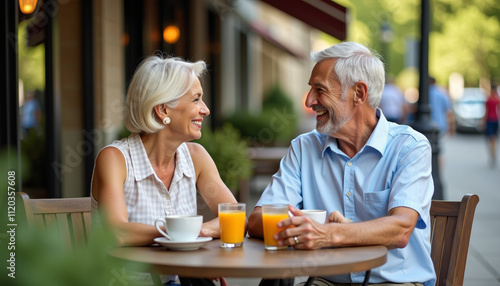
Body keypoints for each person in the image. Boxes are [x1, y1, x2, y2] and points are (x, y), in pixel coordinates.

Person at [247, 42, 436, 286]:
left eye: (320, 89)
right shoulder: (304, 148)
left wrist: (327, 234)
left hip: (394, 282)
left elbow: (400, 230)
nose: (309, 101)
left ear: (359, 93)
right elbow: (256, 220)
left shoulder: (410, 147)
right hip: (324, 281)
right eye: (310, 89)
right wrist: (307, 227)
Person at [91, 55, 238, 285]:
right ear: (162, 110)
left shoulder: (196, 157)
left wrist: (199, 231)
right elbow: (117, 232)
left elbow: (235, 217)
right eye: (196, 99)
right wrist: (179, 233)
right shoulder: (115, 159)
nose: (206, 109)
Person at [484, 85, 500, 167]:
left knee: (491, 139)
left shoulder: (488, 100)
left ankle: (492, 155)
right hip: (495, 120)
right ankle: (494, 154)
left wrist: (482, 122)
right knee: (494, 139)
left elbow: (486, 112)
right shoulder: (497, 99)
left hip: (490, 120)